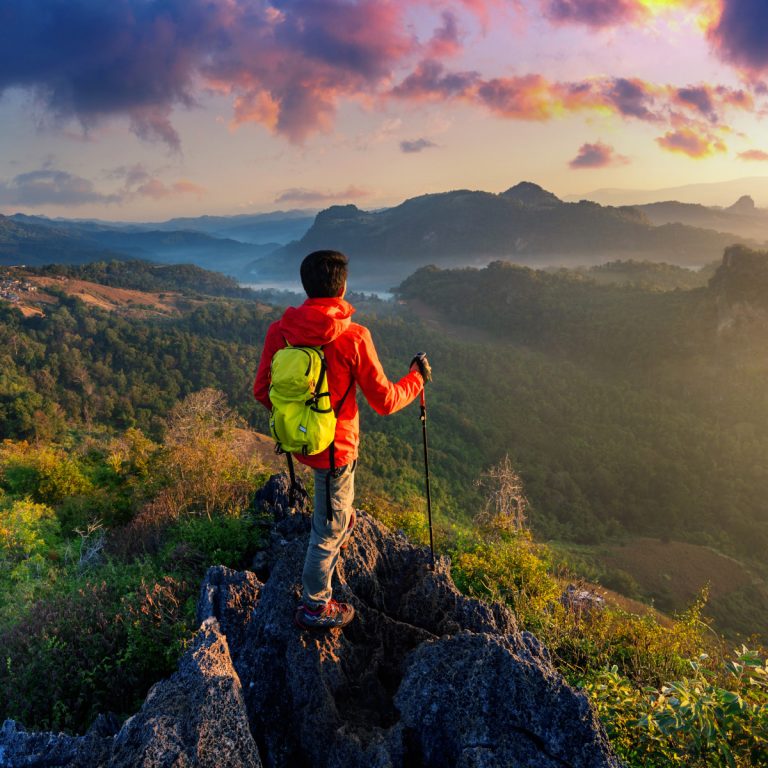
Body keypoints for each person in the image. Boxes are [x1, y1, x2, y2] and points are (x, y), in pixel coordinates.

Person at [253, 250, 431, 630]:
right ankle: (315, 607)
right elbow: (384, 401)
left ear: (305, 285)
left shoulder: (280, 332)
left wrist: (298, 419)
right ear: (343, 286)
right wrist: (416, 380)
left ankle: (341, 519)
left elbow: (261, 390)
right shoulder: (354, 337)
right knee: (325, 532)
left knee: (335, 508)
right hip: (337, 450)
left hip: (302, 444)